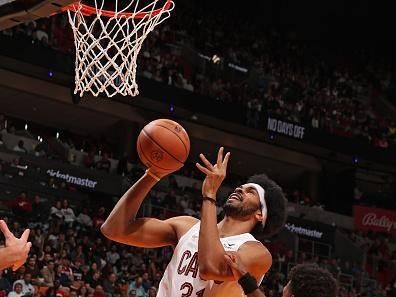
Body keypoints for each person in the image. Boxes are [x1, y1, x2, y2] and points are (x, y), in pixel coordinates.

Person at [101, 147, 287, 297]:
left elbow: (210, 268)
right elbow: (115, 229)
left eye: (251, 192)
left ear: (261, 214)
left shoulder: (256, 252)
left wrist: (209, 196)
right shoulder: (186, 226)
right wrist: (153, 175)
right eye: (241, 186)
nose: (240, 189)